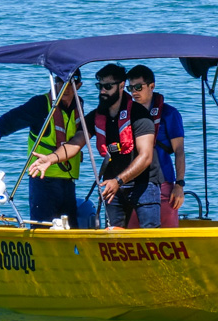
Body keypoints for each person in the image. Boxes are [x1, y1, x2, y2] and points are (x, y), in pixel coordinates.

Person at [29, 64, 163, 228]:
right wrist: (51, 159)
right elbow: (75, 144)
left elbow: (146, 156)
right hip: (112, 186)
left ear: (121, 86)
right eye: (100, 86)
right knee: (111, 239)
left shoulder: (140, 115)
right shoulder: (97, 116)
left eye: (107, 86)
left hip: (144, 184)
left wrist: (118, 181)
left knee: (149, 235)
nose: (102, 91)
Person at [0, 70, 83, 227]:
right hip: (43, 180)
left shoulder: (79, 105)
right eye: (60, 82)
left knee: (71, 230)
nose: (65, 87)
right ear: (55, 83)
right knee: (42, 229)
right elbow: (10, 120)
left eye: (70, 83)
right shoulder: (41, 105)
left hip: (68, 182)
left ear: (79, 85)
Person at [125, 65, 185, 228]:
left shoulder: (169, 114)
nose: (134, 92)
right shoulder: (126, 115)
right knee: (130, 236)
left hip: (163, 184)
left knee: (166, 237)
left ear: (152, 86)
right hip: (132, 183)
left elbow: (179, 151)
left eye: (138, 87)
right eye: (130, 88)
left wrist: (179, 185)